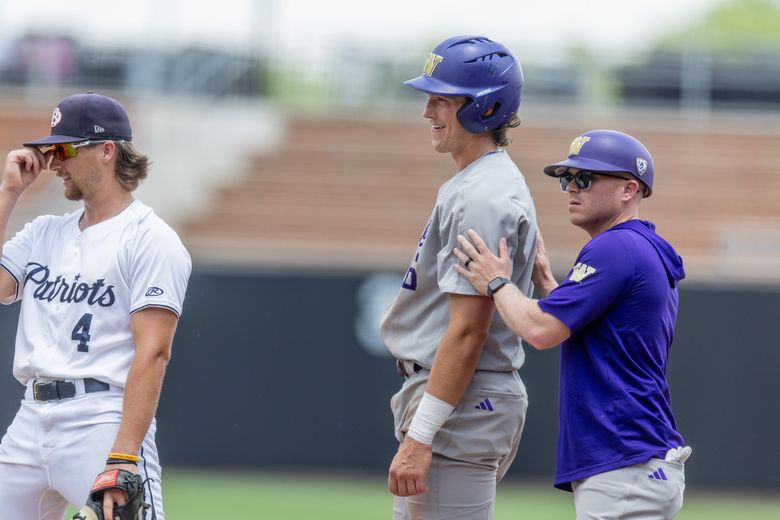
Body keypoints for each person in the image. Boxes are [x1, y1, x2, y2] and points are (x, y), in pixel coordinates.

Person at [454, 129, 692, 519]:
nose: (570, 188)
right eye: (567, 178)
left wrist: (496, 281)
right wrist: (548, 285)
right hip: (635, 459)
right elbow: (595, 334)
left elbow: (540, 330)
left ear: (629, 189)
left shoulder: (615, 247)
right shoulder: (637, 246)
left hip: (622, 459)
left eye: (585, 178)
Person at [0, 92, 191, 519]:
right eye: (50, 149)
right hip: (30, 417)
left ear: (107, 151)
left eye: (65, 148)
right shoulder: (44, 231)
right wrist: (8, 192)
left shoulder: (149, 239)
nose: (53, 162)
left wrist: (123, 457)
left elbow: (154, 352)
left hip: (100, 418)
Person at [381, 35, 537, 519]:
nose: (427, 111)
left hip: (462, 404)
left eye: (442, 99)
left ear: (484, 108)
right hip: (461, 401)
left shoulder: (482, 196)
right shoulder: (478, 182)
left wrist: (421, 435)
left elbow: (469, 330)